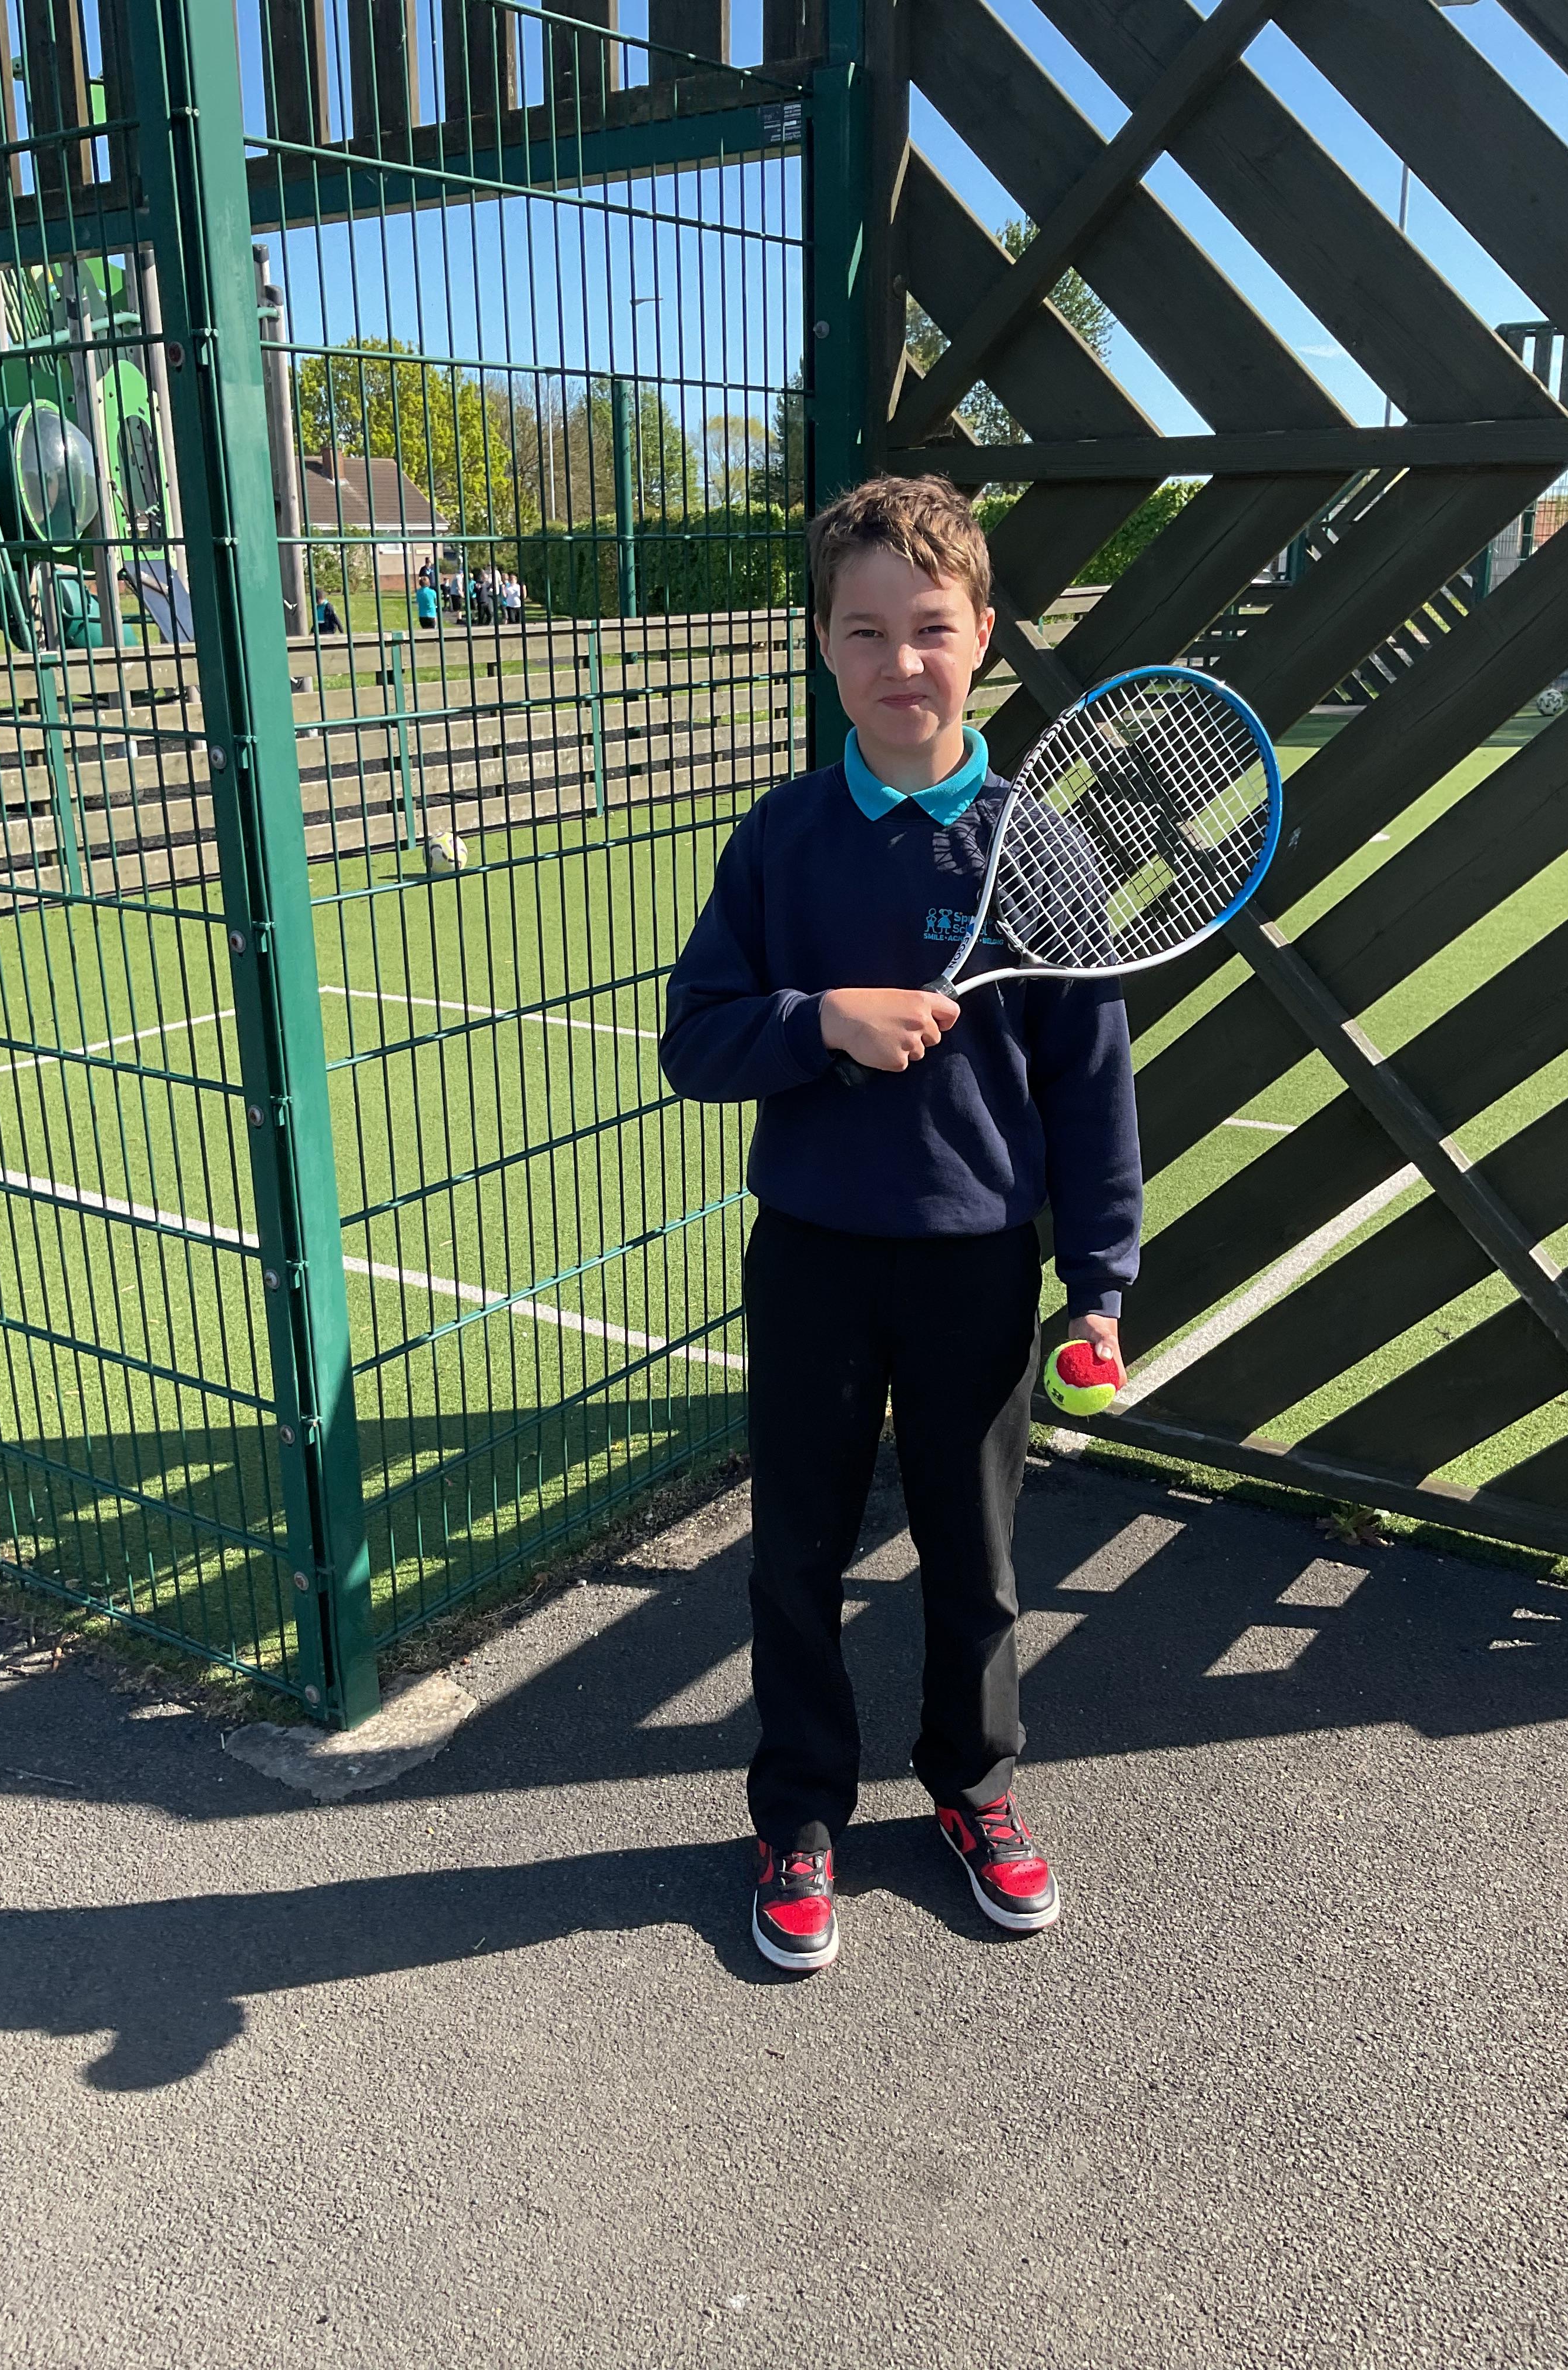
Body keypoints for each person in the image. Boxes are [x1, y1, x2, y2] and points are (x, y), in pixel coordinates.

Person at [659, 474, 1141, 1976]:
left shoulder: (1038, 851)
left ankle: (973, 1786)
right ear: (822, 645)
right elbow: (697, 1041)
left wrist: (1101, 1283)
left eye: (930, 628)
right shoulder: (782, 841)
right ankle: (800, 1813)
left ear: (983, 634)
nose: (900, 662)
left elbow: (1091, 1088)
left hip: (978, 1271)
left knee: (973, 1555)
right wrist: (823, 1021)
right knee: (795, 1554)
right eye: (863, 632)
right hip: (811, 1257)